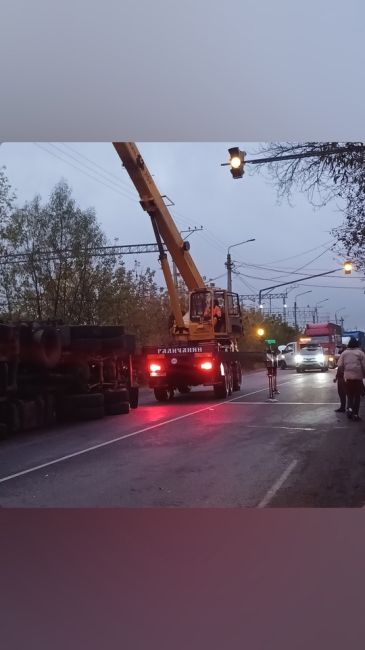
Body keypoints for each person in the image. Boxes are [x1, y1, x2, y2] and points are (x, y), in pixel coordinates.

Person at [337, 337, 365, 421]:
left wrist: (345, 372)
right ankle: (355, 414)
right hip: (357, 378)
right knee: (357, 397)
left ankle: (349, 410)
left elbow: (340, 366)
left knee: (349, 396)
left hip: (347, 378)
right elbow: (364, 366)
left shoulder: (344, 353)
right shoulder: (360, 353)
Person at [333, 345, 347, 412]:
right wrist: (336, 378)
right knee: (342, 393)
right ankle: (345, 407)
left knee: (344, 393)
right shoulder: (343, 356)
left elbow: (340, 369)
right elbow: (339, 369)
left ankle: (346, 408)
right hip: (342, 378)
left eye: (340, 348)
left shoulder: (344, 356)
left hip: (344, 378)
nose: (339, 350)